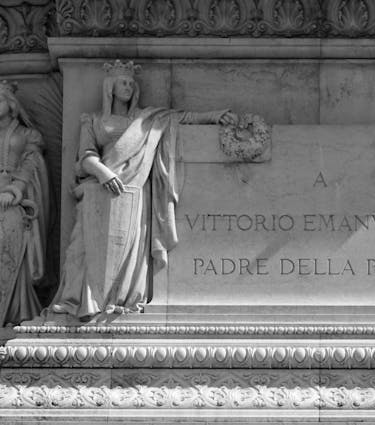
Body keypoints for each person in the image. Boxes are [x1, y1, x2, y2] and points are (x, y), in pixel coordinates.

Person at [49, 59, 236, 320]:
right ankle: (85, 301)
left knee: (127, 250)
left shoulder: (147, 119)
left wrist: (212, 115)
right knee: (82, 250)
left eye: (130, 83)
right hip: (101, 192)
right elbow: (86, 157)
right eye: (122, 82)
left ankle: (119, 299)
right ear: (110, 88)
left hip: (134, 192)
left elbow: (181, 117)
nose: (127, 87)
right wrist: (103, 172)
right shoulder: (93, 121)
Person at [0, 80, 50, 326]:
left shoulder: (26, 135)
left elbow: (32, 162)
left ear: (11, 105)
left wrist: (15, 188)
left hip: (12, 201)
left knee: (12, 255)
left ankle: (16, 312)